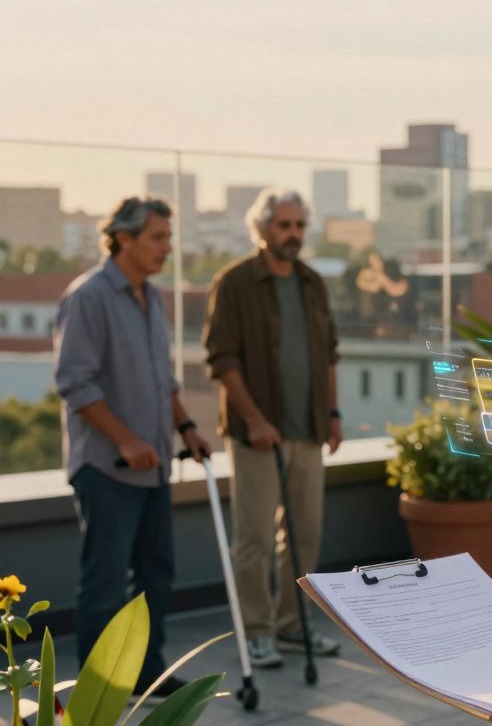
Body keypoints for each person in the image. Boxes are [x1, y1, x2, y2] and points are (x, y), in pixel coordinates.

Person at [54, 196, 210, 697]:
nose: (168, 247)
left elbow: (162, 379)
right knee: (104, 582)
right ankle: (98, 690)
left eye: (169, 237)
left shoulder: (151, 297)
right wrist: (126, 439)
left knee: (155, 572)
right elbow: (76, 384)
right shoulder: (89, 297)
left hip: (154, 466)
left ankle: (147, 671)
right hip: (106, 466)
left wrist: (186, 427)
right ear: (123, 237)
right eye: (158, 238)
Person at [203, 188, 343, 668]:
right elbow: (221, 358)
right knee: (255, 539)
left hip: (307, 430)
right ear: (262, 230)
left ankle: (292, 626)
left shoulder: (312, 283)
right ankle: (257, 632)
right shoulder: (235, 282)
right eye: (284, 225)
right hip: (256, 435)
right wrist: (255, 419)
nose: (294, 234)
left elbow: (329, 354)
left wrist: (334, 414)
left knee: (306, 534)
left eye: (300, 225)